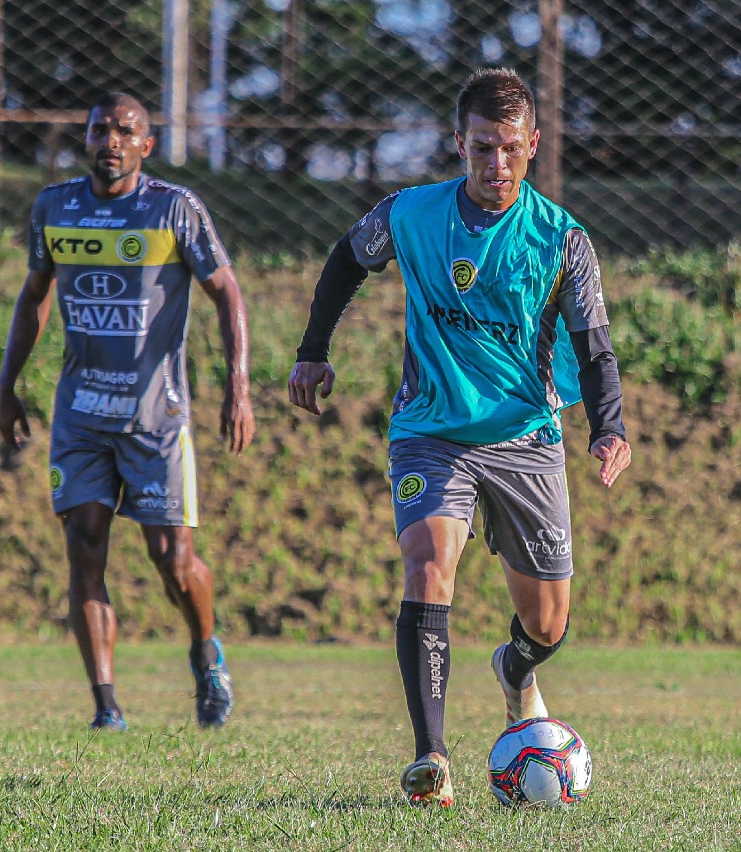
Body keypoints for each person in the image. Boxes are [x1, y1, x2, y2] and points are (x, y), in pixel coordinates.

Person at [287, 68, 631, 806]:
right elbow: (349, 257)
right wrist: (312, 349)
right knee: (426, 563)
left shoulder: (562, 240)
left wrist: (611, 427)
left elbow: (594, 345)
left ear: (533, 145)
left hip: (524, 439)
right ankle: (431, 760)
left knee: (549, 622)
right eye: (481, 148)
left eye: (509, 149)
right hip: (430, 431)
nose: (495, 165)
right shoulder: (409, 215)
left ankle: (516, 669)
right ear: (458, 142)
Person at [0, 92, 254, 731]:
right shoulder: (56, 208)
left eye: (124, 130)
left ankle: (205, 650)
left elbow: (226, 292)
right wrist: (7, 384)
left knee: (171, 557)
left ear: (147, 144)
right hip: (80, 413)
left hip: (156, 417)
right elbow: (35, 297)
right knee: (84, 545)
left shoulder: (173, 208)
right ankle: (106, 705)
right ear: (85, 139)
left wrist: (238, 386)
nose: (110, 139)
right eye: (99, 128)